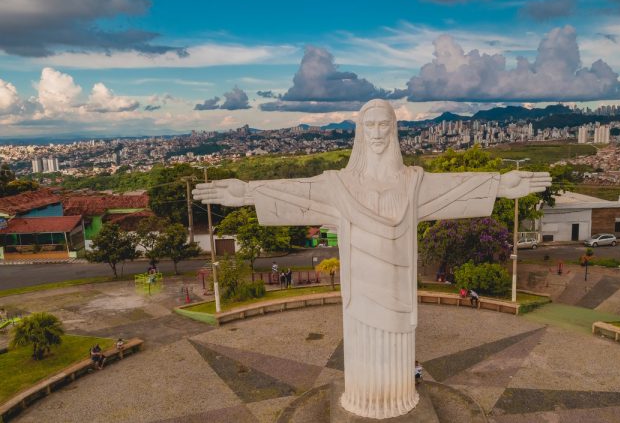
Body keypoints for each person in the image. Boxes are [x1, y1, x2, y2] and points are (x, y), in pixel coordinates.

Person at [193, 99, 551, 419]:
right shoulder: (338, 185)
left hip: (397, 293)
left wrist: (501, 185)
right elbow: (293, 192)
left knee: (395, 352)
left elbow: (456, 189)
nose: (377, 132)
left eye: (384, 125)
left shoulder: (414, 182)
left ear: (393, 130)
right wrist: (246, 193)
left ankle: (397, 397)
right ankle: (365, 399)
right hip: (360, 295)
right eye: (370, 125)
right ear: (360, 132)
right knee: (364, 348)